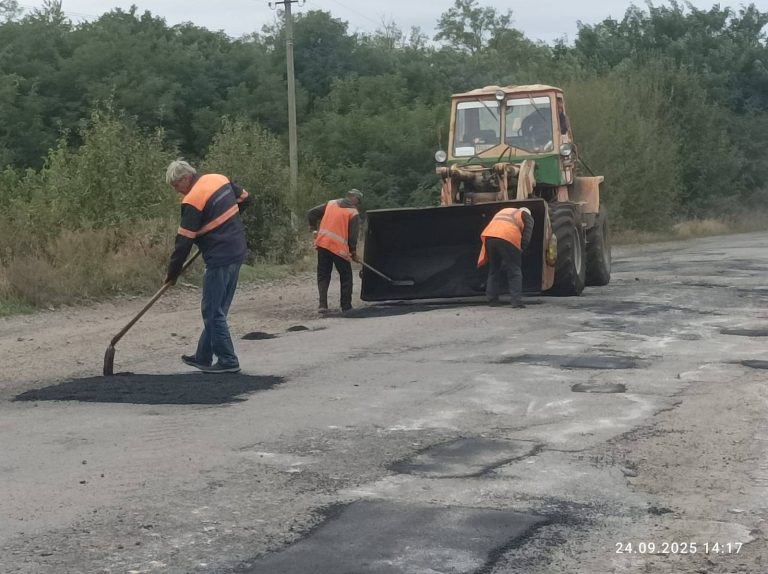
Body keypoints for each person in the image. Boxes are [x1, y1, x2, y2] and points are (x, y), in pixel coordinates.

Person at [164, 160, 251, 374]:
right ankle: (203, 357)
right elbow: (246, 199)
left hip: (220, 257)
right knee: (218, 309)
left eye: (176, 186)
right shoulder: (218, 179)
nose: (177, 191)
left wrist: (172, 274)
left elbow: (183, 242)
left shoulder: (193, 199)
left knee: (213, 312)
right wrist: (222, 222)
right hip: (236, 249)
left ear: (185, 178)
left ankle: (228, 361)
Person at [307, 189, 363, 314]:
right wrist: (353, 252)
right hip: (338, 249)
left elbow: (311, 213)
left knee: (323, 275)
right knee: (346, 276)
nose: (357, 205)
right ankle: (346, 306)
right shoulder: (353, 212)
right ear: (354, 198)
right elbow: (353, 236)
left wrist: (313, 229)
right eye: (358, 201)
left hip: (323, 244)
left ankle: (322, 305)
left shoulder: (331, 203)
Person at [477, 206, 534, 307]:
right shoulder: (526, 215)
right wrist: (522, 248)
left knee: (494, 270)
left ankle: (492, 300)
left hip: (490, 238)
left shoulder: (505, 211)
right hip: (508, 237)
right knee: (515, 271)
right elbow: (527, 234)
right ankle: (516, 302)